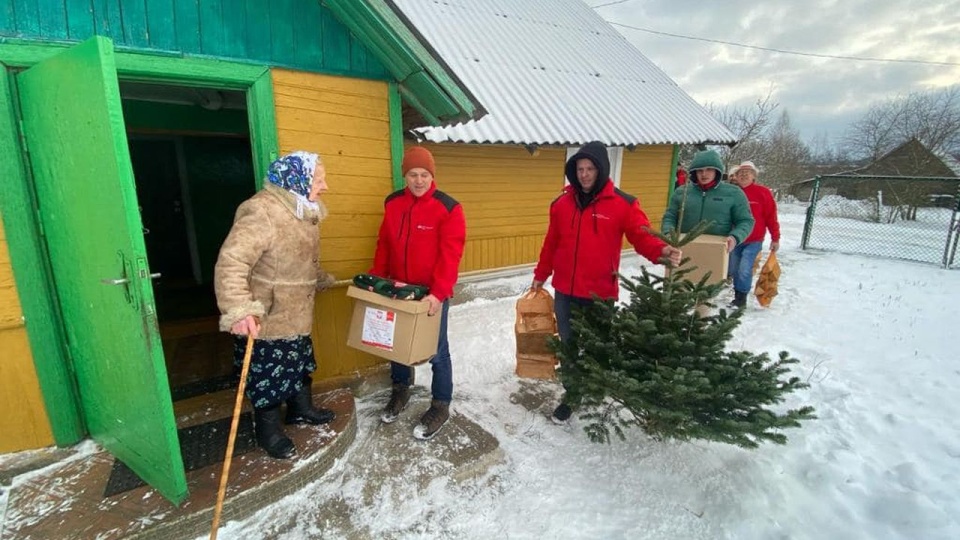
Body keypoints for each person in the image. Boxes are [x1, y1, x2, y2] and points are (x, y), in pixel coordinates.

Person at [532, 141, 682, 424]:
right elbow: (551, 243)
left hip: (600, 291)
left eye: (590, 169)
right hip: (565, 288)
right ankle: (572, 394)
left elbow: (641, 236)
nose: (584, 175)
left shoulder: (623, 204)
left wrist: (661, 250)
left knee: (599, 344)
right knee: (569, 344)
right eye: (580, 169)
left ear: (601, 171)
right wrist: (542, 273)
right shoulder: (561, 204)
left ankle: (598, 386)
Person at [214, 151, 336, 460]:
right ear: (297, 179)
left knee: (298, 362)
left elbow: (295, 256)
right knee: (267, 373)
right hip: (269, 314)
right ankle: (267, 430)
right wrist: (238, 308)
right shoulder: (262, 210)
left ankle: (300, 410)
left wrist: (318, 277)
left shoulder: (302, 209)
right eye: (318, 180)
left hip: (297, 308)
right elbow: (232, 262)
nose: (324, 187)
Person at [372, 146, 466, 440]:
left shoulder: (448, 208)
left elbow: (451, 256)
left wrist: (438, 294)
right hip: (399, 289)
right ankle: (400, 390)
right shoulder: (393, 203)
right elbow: (384, 244)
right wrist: (377, 282)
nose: (418, 180)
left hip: (430, 293)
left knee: (437, 351)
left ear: (431, 175)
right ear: (405, 176)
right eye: (413, 174)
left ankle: (440, 404)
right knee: (397, 344)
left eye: (424, 174)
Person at [661, 149, 755, 305]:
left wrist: (735, 237)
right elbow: (670, 216)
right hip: (682, 252)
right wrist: (668, 234)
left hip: (714, 253)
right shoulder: (682, 192)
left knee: (703, 302)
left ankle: (701, 326)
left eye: (709, 170)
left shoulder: (733, 193)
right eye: (700, 170)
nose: (704, 174)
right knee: (676, 299)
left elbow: (746, 220)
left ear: (717, 171)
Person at [728, 161, 780, 307]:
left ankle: (741, 299)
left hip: (754, 240)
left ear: (754, 176)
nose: (744, 175)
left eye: (748, 172)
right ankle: (738, 294)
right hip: (734, 239)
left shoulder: (762, 192)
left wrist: (775, 238)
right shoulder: (731, 192)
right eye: (740, 173)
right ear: (735, 177)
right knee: (734, 269)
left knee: (744, 268)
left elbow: (771, 216)